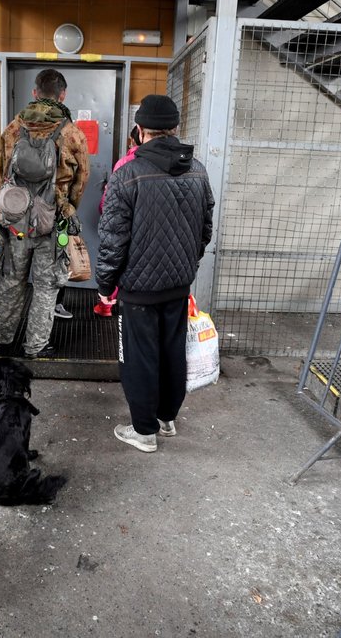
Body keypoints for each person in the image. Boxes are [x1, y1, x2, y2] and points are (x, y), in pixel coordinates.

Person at [96, 95, 215, 452]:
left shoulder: (127, 174)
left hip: (138, 288)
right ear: (175, 128)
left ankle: (144, 431)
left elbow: (113, 237)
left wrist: (106, 284)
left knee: (140, 357)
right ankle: (166, 419)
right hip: (178, 284)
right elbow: (205, 229)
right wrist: (186, 264)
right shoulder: (198, 169)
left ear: (139, 130)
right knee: (172, 351)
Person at [0, 69, 89, 358]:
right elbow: (81, 179)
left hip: (16, 222)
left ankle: (2, 337)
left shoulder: (12, 129)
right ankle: (35, 345)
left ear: (34, 93)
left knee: (12, 279)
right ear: (63, 95)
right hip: (53, 223)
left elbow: (1, 172)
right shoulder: (72, 133)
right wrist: (68, 206)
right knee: (47, 286)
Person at [94, 125, 141, 317]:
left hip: (126, 226)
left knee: (117, 258)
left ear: (135, 137)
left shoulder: (125, 163)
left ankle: (107, 305)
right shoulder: (183, 164)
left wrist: (103, 207)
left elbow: (109, 202)